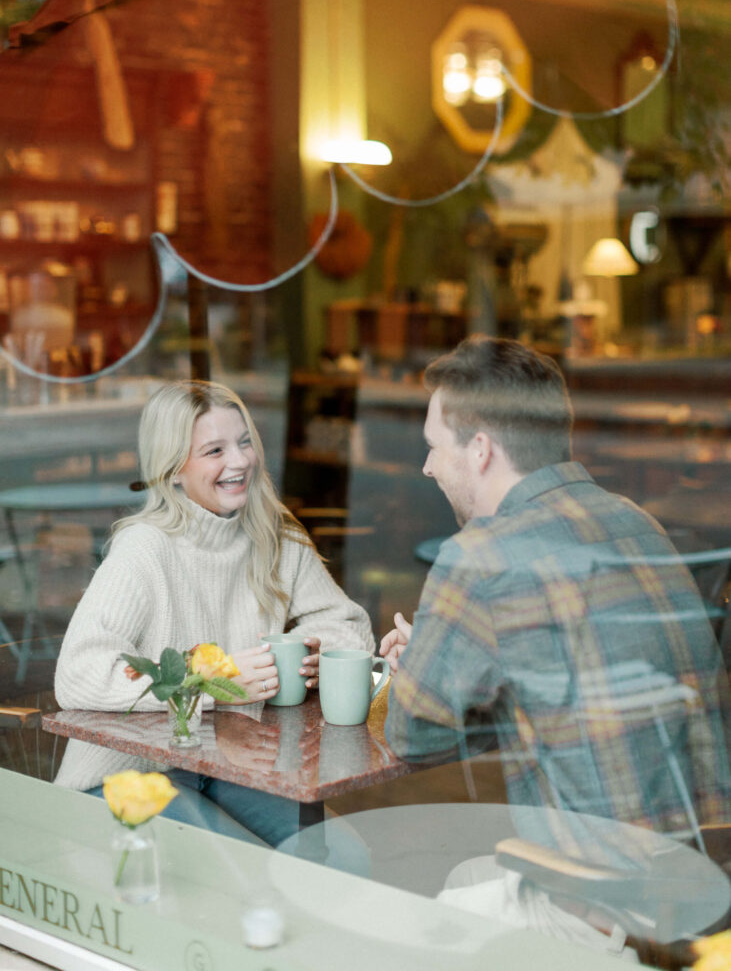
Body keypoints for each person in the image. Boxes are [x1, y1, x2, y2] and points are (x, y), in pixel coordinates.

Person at [380, 336, 730, 949]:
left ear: (481, 450)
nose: (428, 467)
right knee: (470, 873)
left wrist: (425, 671)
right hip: (704, 874)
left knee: (407, 923)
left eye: (435, 448)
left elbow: (415, 735)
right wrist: (453, 661)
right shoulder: (633, 520)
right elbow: (567, 690)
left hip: (607, 903)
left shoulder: (479, 558)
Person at [54, 380, 373, 849]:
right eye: (214, 450)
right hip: (129, 775)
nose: (240, 461)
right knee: (244, 876)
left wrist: (313, 650)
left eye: (245, 442)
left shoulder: (275, 533)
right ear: (174, 469)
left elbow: (348, 624)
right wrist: (212, 682)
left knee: (335, 859)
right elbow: (77, 674)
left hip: (232, 761)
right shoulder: (144, 549)